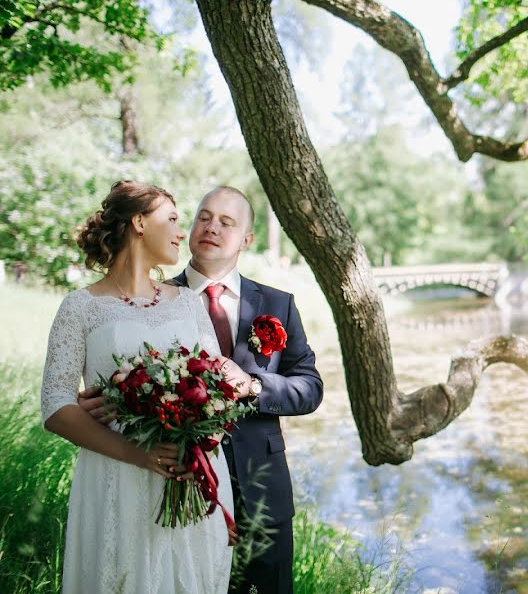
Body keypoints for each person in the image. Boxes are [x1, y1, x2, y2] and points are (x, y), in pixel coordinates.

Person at [82, 185, 324, 593]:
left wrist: (251, 385)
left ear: (246, 239)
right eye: (204, 217)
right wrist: (119, 398)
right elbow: (133, 374)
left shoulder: (278, 304)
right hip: (178, 493)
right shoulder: (153, 303)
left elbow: (310, 387)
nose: (211, 227)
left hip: (262, 491)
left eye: (227, 222)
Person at [41, 180, 234, 594]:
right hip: (117, 476)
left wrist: (204, 432)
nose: (182, 232)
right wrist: (141, 453)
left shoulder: (186, 302)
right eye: (173, 219)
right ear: (140, 223)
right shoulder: (81, 307)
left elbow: (220, 385)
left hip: (190, 474)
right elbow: (56, 407)